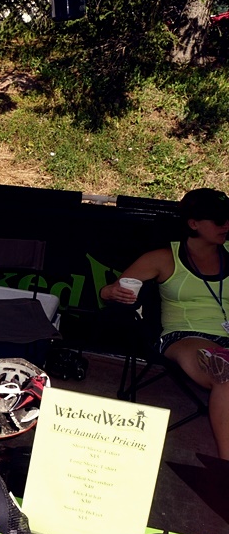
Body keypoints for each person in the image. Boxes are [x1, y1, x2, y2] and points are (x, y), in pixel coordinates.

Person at [99, 187, 229, 460]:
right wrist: (112, 292)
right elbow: (109, 291)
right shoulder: (164, 258)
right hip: (187, 336)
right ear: (193, 223)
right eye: (219, 220)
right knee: (225, 377)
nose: (226, 225)